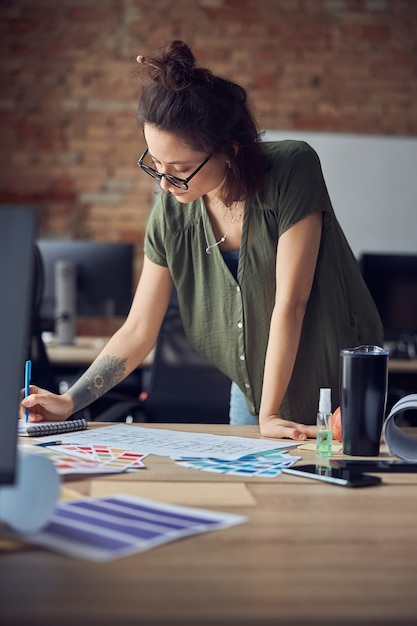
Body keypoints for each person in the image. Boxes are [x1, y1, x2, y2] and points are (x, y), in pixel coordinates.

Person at [21, 40, 383, 441]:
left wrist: (270, 412)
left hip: (333, 393)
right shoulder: (171, 212)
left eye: (180, 168)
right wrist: (70, 400)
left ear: (229, 151)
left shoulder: (292, 169)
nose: (164, 182)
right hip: (253, 392)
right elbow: (139, 328)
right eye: (155, 164)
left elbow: (290, 304)